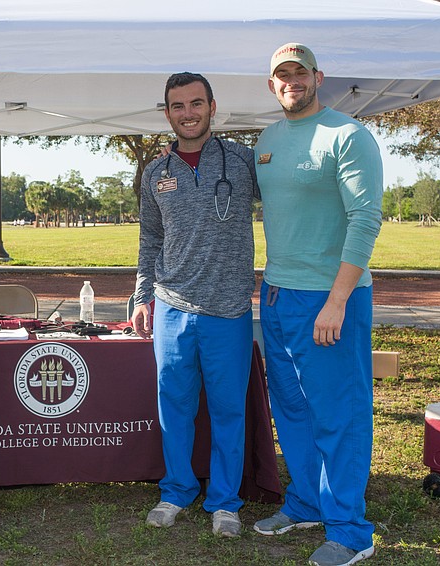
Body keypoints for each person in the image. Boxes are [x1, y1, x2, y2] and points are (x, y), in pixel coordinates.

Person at [252, 43, 382, 566]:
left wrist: (337, 300)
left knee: (338, 414)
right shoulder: (267, 139)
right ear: (272, 84)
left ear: (318, 77)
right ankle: (306, 502)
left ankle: (350, 532)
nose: (292, 81)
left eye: (300, 73)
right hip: (276, 294)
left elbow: (365, 219)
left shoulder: (348, 135)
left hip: (330, 298)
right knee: (292, 408)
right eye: (282, 75)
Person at [131, 72, 259, 538]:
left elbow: (289, 199)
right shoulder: (155, 173)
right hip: (171, 307)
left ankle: (224, 501)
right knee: (174, 408)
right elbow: (150, 239)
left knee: (228, 412)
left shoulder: (243, 161)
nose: (188, 113)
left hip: (228, 309)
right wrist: (142, 295)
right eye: (178, 106)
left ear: (212, 107)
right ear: (167, 113)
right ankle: (177, 490)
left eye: (196, 103)